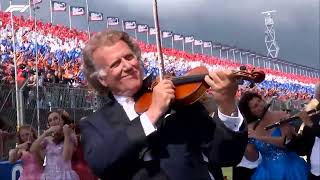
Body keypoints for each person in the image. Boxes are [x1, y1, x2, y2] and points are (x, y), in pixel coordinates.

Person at [80, 30, 247, 180]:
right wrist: (152, 113)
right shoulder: (95, 124)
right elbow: (101, 163)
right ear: (102, 79)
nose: (128, 66)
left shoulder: (177, 101)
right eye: (116, 64)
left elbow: (227, 155)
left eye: (130, 57)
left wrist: (227, 104)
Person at [238, 91, 309, 180]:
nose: (260, 105)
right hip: (267, 172)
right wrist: (244, 144)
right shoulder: (250, 128)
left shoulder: (281, 115)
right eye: (255, 106)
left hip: (291, 168)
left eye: (259, 101)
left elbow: (285, 143)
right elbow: (253, 158)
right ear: (250, 112)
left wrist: (259, 137)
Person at [284, 82, 320, 180]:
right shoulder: (313, 118)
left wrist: (310, 124)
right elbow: (302, 150)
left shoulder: (310, 122)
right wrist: (290, 135)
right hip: (314, 173)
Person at [30, 110, 79, 180]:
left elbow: (66, 158)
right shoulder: (47, 139)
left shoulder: (70, 135)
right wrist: (45, 133)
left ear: (62, 121)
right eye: (50, 120)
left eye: (56, 118)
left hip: (64, 176)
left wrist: (67, 135)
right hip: (48, 176)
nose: (53, 122)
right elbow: (32, 149)